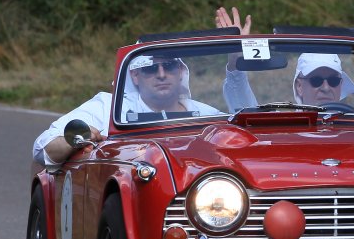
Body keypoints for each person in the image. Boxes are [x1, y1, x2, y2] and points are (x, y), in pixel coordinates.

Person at [32, 53, 219, 167]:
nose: (161, 74)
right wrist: (79, 136)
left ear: (180, 71)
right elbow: (42, 148)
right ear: (135, 75)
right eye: (150, 69)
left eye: (169, 66)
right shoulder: (108, 108)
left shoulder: (208, 115)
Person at [214, 5, 354, 111]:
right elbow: (245, 112)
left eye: (333, 81)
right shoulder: (283, 126)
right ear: (299, 86)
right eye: (316, 80)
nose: (326, 88)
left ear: (340, 85)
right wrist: (235, 56)